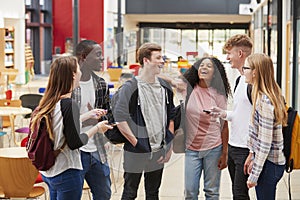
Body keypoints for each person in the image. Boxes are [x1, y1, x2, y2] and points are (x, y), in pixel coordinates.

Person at [31, 56, 112, 200]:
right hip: (66, 171)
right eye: (78, 69)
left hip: (49, 172)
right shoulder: (70, 104)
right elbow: (75, 142)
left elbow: (60, 126)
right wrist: (97, 128)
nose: (81, 72)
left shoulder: (49, 102)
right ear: (73, 74)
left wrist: (87, 115)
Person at [113, 42, 175, 200]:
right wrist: (136, 143)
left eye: (162, 57)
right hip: (135, 152)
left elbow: (171, 117)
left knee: (153, 193)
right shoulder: (130, 87)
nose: (162, 61)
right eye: (158, 57)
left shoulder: (165, 87)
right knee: (129, 193)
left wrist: (168, 146)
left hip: (158, 151)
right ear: (146, 60)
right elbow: (119, 118)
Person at [210, 34, 253, 200]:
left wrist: (253, 151)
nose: (227, 58)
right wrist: (223, 114)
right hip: (234, 146)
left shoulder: (253, 83)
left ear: (240, 54)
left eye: (230, 53)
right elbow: (241, 114)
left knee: (240, 194)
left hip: (246, 148)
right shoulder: (240, 80)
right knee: (238, 193)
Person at [182, 57, 231, 199]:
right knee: (190, 192)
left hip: (213, 148)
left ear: (215, 73)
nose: (204, 68)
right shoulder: (188, 88)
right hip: (191, 148)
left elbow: (224, 125)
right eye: (201, 65)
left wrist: (224, 153)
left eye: (209, 66)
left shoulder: (219, 95)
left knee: (212, 191)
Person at [243, 53, 287, 200]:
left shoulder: (265, 102)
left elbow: (265, 142)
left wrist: (254, 175)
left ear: (255, 72)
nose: (244, 71)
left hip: (269, 165)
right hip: (268, 163)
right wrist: (251, 154)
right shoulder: (262, 96)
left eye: (246, 68)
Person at [73, 40, 112, 200]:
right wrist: (89, 120)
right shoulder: (68, 85)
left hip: (97, 149)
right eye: (98, 55)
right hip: (75, 151)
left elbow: (107, 114)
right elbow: (60, 121)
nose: (102, 59)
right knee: (73, 195)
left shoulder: (101, 84)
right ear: (84, 57)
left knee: (104, 194)